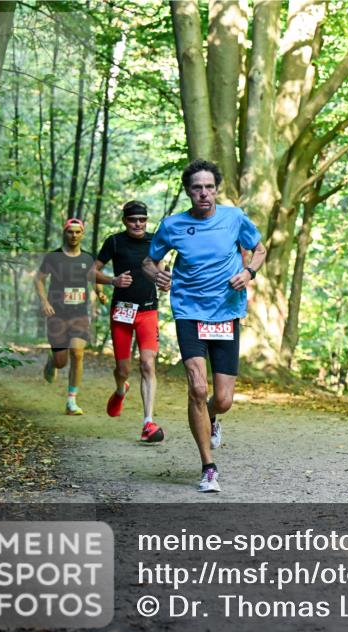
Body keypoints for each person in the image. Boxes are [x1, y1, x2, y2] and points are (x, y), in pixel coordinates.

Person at [143, 159, 266, 493]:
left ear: (216, 190)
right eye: (197, 188)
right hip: (189, 312)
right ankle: (208, 467)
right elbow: (149, 262)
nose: (204, 194)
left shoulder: (234, 218)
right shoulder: (172, 225)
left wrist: (249, 272)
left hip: (226, 313)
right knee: (197, 388)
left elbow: (259, 248)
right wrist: (158, 275)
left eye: (209, 187)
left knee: (222, 400)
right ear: (188, 191)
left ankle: (212, 417)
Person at [92, 200, 166, 443]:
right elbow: (90, 272)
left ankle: (148, 422)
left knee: (147, 363)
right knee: (123, 369)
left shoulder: (155, 241)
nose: (138, 223)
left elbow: (160, 268)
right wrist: (112, 281)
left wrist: (164, 281)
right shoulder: (114, 241)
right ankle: (121, 389)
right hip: (122, 311)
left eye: (142, 219)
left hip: (148, 311)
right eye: (133, 219)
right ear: (125, 220)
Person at [35, 218, 104, 415]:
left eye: (77, 232)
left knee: (78, 353)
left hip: (79, 313)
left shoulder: (88, 258)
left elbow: (94, 279)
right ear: (64, 233)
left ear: (82, 234)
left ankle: (71, 401)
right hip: (57, 315)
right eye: (70, 232)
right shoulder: (53, 257)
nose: (74, 235)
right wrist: (44, 302)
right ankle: (52, 361)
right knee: (61, 362)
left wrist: (99, 292)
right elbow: (38, 279)